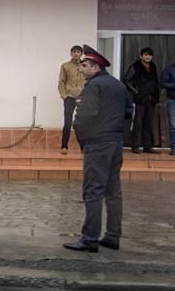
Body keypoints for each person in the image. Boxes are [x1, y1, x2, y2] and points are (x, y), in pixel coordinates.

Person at [63, 45, 132, 253]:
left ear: (95, 67)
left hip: (97, 143)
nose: (81, 69)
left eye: (84, 65)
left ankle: (90, 238)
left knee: (93, 190)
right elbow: (129, 112)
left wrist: (83, 140)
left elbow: (84, 117)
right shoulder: (118, 85)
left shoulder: (94, 85)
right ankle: (112, 236)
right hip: (115, 142)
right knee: (113, 191)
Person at [123, 47, 160, 154]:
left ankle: (147, 146)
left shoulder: (153, 66)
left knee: (148, 124)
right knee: (138, 123)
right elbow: (126, 80)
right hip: (139, 99)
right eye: (145, 55)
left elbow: (156, 82)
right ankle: (135, 146)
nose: (147, 57)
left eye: (149, 55)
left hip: (151, 99)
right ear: (141, 56)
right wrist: (135, 91)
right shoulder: (135, 66)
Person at [57, 45, 85, 155]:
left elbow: (89, 80)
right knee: (67, 122)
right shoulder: (65, 66)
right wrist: (64, 96)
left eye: (78, 52)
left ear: (81, 53)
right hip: (69, 97)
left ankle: (83, 146)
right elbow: (61, 82)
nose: (76, 54)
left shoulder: (85, 65)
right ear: (71, 53)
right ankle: (64, 146)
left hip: (83, 97)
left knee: (82, 123)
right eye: (74, 52)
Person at [161, 55, 175, 156]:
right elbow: (163, 83)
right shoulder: (168, 69)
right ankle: (174, 148)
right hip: (172, 100)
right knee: (173, 125)